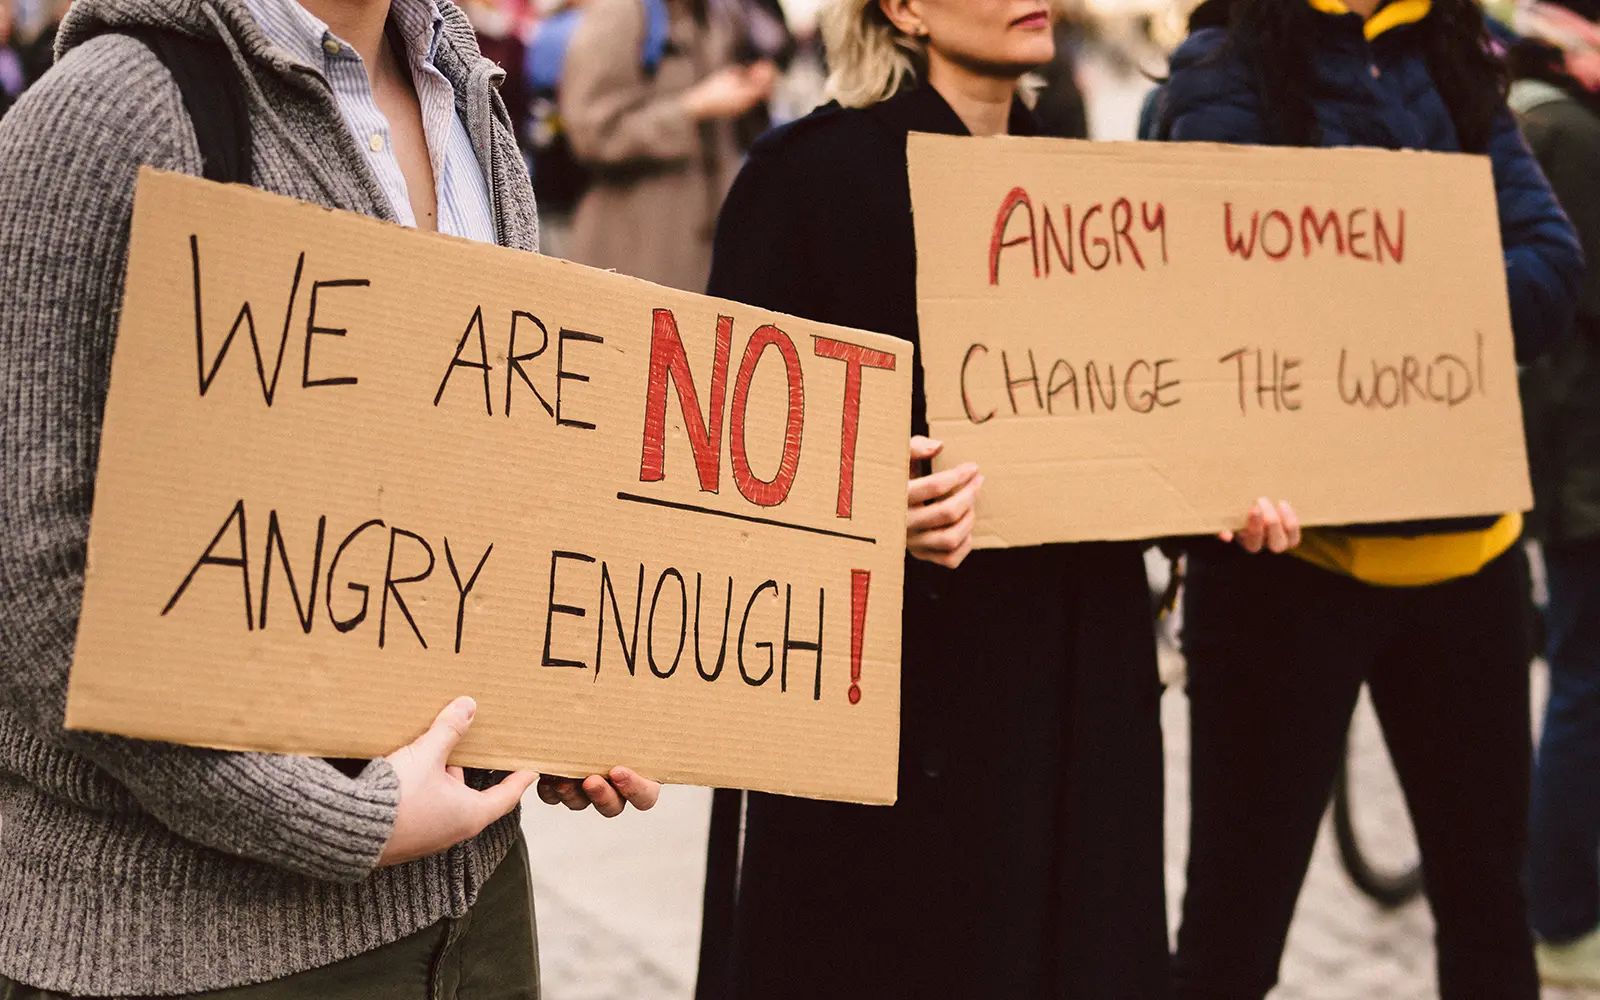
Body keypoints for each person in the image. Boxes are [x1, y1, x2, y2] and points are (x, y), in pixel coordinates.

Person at [0, 0, 660, 992]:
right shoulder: (107, 110)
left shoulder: (464, 95)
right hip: (196, 950)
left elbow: (486, 494)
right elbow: (36, 581)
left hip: (474, 913)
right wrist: (335, 819)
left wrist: (551, 707)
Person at [690, 1, 1300, 997]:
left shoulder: (1077, 184)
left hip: (1079, 690)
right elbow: (716, 457)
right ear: (902, 9)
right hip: (903, 712)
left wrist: (1214, 496)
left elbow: (1126, 421)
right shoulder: (805, 177)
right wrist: (867, 510)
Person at [1154, 2, 1584, 998]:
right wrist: (1426, 283)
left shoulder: (1452, 60)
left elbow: (1551, 269)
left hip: (1469, 565)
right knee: (1229, 941)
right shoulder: (1226, 67)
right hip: (1284, 570)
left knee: (1490, 926)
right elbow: (1211, 291)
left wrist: (1386, 284)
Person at [1505, 6, 1600, 989]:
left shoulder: (1534, 116)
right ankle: (1563, 916)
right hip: (1585, 467)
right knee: (1585, 684)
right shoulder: (1567, 130)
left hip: (1568, 459)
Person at [558, 0, 774, 290]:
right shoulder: (621, 11)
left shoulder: (722, 13)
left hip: (712, 255)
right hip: (637, 252)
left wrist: (750, 90)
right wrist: (691, 109)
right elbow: (591, 133)